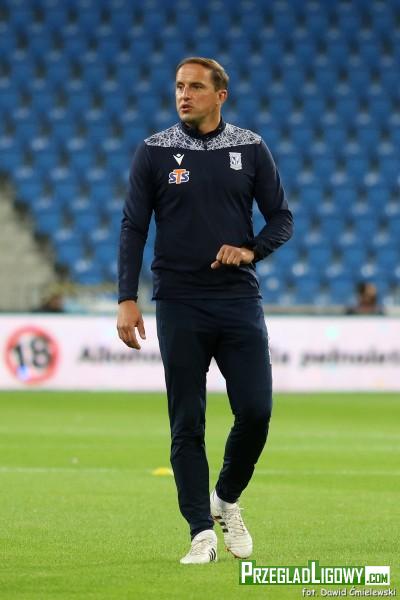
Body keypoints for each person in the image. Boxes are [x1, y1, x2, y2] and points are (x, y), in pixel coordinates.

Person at [117, 57, 293, 564]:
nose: (184, 95)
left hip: (238, 299)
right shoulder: (153, 151)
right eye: (179, 86)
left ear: (220, 95)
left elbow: (281, 218)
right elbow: (133, 226)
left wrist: (251, 250)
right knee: (187, 422)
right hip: (179, 302)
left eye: (195, 86)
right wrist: (126, 298)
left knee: (256, 412)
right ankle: (200, 532)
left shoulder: (250, 147)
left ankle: (226, 499)